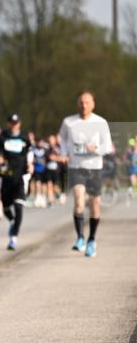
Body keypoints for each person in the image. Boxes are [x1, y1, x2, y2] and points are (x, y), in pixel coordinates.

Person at [58, 91, 113, 257]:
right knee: (80, 202)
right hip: (76, 168)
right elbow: (62, 139)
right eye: (81, 102)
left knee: (95, 206)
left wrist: (95, 149)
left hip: (94, 168)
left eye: (87, 102)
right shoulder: (69, 122)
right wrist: (64, 153)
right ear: (78, 104)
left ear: (93, 104)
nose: (84, 105)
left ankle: (91, 240)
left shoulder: (100, 122)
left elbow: (108, 146)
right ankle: (80, 237)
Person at [0, 113, 33, 250]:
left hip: (19, 177)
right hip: (6, 177)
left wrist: (30, 164)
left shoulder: (25, 137)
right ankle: (12, 221)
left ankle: (13, 238)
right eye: (12, 122)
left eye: (16, 122)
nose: (14, 125)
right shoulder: (1, 136)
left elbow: (30, 151)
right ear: (9, 123)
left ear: (19, 123)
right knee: (7, 207)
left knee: (19, 207)